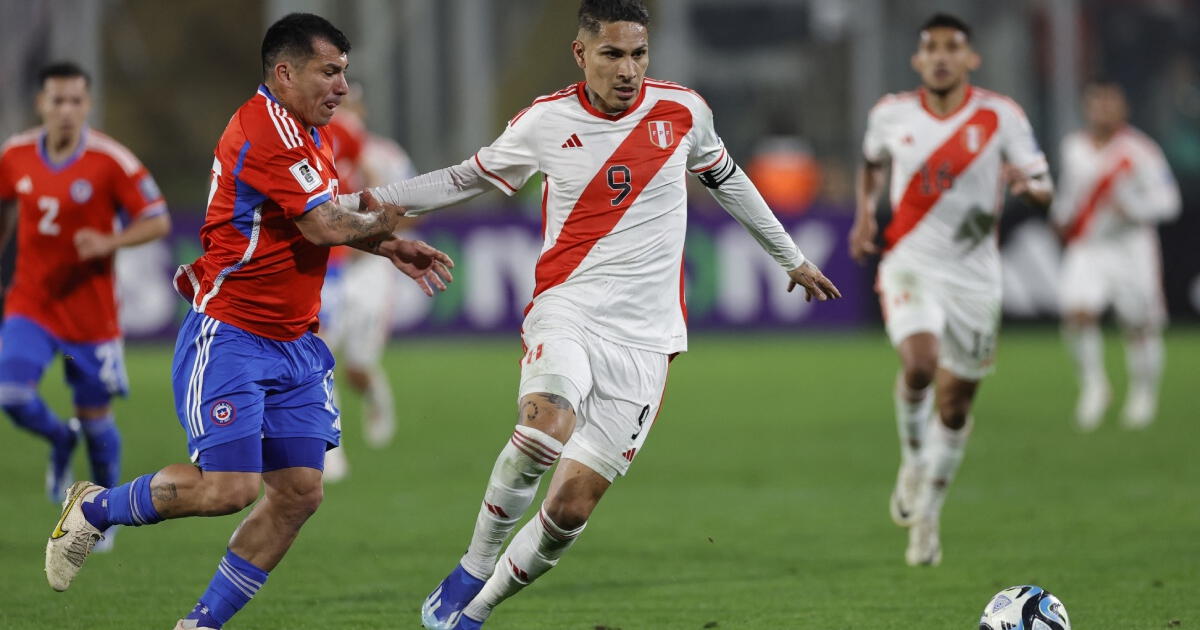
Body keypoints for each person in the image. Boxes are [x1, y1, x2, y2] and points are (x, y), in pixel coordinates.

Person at [338, 1, 839, 626]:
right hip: (567, 307)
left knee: (571, 509)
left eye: (638, 54)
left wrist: (789, 258)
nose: (627, 69)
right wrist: (373, 199)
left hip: (649, 337)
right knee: (544, 425)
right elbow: (469, 177)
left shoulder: (683, 111)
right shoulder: (546, 122)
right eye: (612, 54)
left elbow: (728, 180)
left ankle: (476, 610)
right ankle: (471, 569)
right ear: (582, 54)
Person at [42, 14, 453, 630]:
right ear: (285, 73)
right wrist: (403, 216)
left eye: (345, 72)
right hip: (233, 334)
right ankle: (96, 507)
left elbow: (320, 216)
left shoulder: (309, 131)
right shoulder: (266, 129)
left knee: (299, 493)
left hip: (295, 341)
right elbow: (322, 225)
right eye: (330, 71)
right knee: (228, 489)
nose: (342, 86)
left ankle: (199, 624)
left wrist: (386, 246)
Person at [849, 13, 1053, 566]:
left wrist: (1026, 186)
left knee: (956, 405)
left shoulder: (999, 116)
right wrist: (866, 216)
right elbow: (870, 163)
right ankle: (913, 462)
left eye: (952, 48)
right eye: (931, 48)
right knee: (920, 363)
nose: (941, 56)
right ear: (918, 60)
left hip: (975, 277)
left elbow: (1045, 189)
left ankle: (930, 515)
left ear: (970, 59)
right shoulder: (891, 113)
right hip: (910, 262)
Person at [0, 62, 170, 533]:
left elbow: (156, 220)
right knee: (11, 394)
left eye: (76, 100)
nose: (67, 110)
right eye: (57, 100)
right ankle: (59, 440)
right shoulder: (14, 155)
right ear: (41, 104)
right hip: (31, 302)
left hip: (90, 312)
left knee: (97, 422)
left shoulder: (111, 161)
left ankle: (105, 517)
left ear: (88, 104)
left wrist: (109, 242)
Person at [1052, 81, 1181, 431]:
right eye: (1095, 103)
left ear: (1123, 107)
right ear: (1086, 107)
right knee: (1076, 313)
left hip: (1131, 248)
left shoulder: (1140, 150)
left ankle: (1143, 393)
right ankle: (1094, 387)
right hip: (1089, 247)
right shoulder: (1074, 147)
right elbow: (1069, 194)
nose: (1102, 110)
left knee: (1139, 325)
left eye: (1110, 103)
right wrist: (1060, 216)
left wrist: (1136, 209)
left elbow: (1170, 202)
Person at [319, 87, 419, 480]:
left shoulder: (384, 154)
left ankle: (375, 392)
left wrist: (374, 237)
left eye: (350, 103)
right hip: (331, 268)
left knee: (357, 365)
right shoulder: (315, 148)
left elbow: (411, 207)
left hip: (371, 269)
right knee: (320, 354)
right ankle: (330, 451)